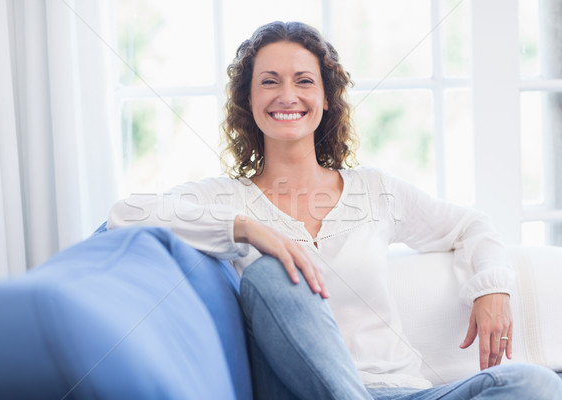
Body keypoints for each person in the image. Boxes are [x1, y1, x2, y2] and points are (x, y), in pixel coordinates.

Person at [108, 21, 562, 399]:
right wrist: (246, 229)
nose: (288, 95)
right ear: (249, 101)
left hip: (403, 391)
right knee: (272, 273)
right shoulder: (225, 198)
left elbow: (470, 226)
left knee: (535, 383)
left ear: (327, 99)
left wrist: (492, 289)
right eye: (270, 81)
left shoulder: (375, 190)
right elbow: (123, 215)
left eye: (304, 80)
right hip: (301, 392)